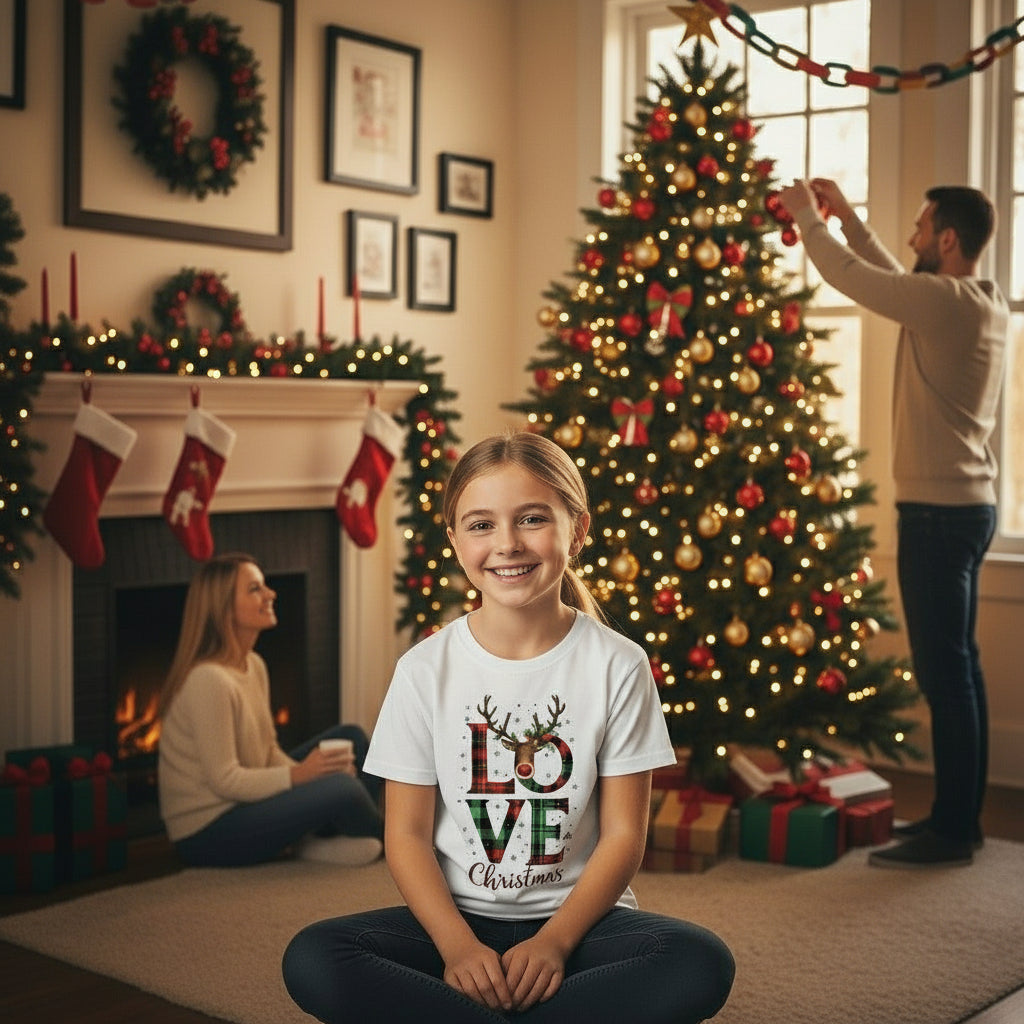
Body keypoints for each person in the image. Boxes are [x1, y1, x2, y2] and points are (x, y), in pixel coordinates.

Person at [282, 432, 735, 1023]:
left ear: (577, 530)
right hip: (455, 923)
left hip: (581, 926)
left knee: (700, 963)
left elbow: (624, 836)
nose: (507, 544)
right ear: (454, 540)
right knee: (314, 957)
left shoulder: (618, 665)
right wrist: (457, 948)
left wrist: (555, 943)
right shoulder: (423, 670)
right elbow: (407, 836)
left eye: (532, 519)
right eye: (481, 525)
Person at [777, 179, 1008, 868]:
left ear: (947, 239)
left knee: (945, 676)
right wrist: (847, 217)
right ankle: (959, 819)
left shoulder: (944, 303)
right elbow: (890, 277)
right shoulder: (975, 301)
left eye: (921, 228)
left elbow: (856, 279)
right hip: (966, 507)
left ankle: (953, 831)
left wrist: (807, 218)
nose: (911, 237)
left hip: (938, 515)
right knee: (960, 670)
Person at [157, 552, 384, 868]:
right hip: (208, 831)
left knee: (353, 738)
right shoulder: (208, 680)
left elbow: (268, 750)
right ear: (224, 608)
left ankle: (310, 841)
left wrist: (312, 776)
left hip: (247, 803)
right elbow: (225, 780)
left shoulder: (253, 664)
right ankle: (403, 841)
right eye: (255, 589)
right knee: (343, 787)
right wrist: (303, 775)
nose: (271, 594)